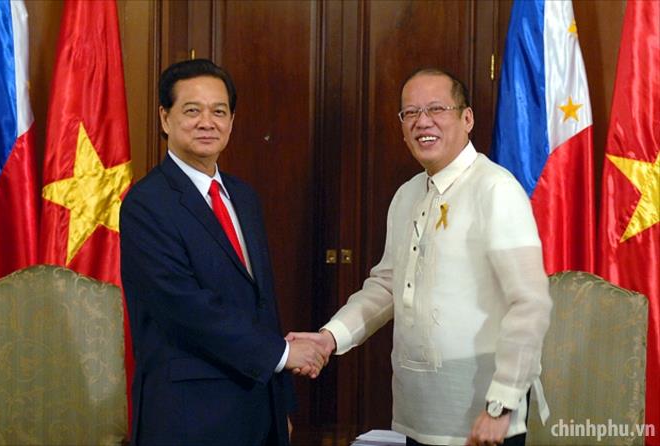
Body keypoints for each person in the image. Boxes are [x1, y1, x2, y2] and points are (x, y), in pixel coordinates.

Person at [287, 68, 552, 446]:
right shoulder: (407, 194)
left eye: (436, 109)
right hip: (418, 413)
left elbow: (530, 303)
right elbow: (387, 287)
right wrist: (330, 338)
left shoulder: (496, 190)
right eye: (410, 113)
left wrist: (502, 404)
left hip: (482, 417)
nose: (422, 122)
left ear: (467, 118)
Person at [120, 58, 327, 446]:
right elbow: (185, 308)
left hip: (258, 407)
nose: (207, 122)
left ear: (231, 121)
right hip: (190, 417)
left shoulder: (243, 197)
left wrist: (280, 403)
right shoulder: (146, 204)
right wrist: (282, 354)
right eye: (192, 111)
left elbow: (264, 305)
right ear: (165, 118)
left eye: (219, 111)